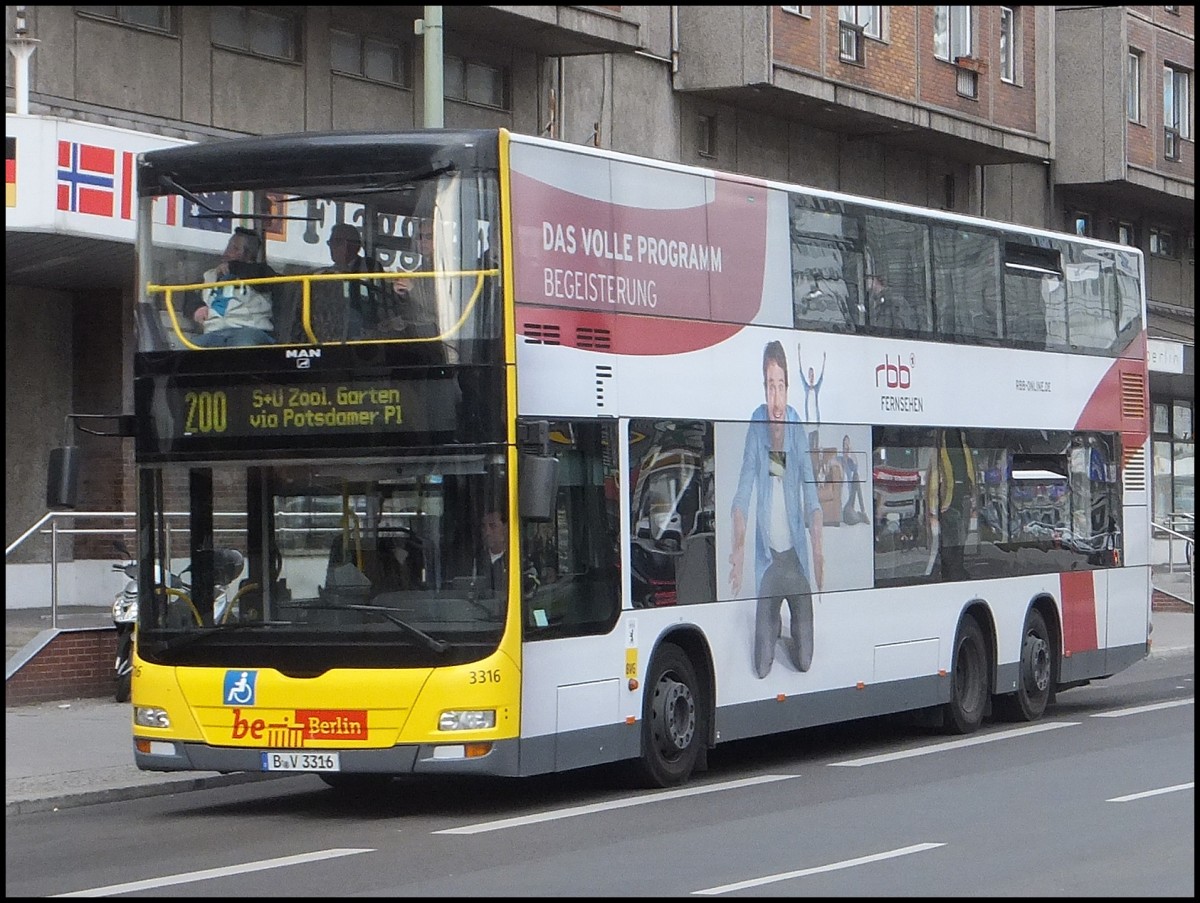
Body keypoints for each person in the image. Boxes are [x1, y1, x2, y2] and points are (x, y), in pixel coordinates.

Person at [729, 340, 825, 678]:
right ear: (764, 387)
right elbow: (743, 491)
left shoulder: (797, 427)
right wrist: (739, 546)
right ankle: (773, 626)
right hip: (769, 562)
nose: (776, 398)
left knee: (804, 662)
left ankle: (796, 627)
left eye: (781, 385)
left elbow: (811, 495)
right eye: (770, 386)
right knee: (761, 668)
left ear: (788, 387)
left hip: (795, 561)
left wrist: (817, 550)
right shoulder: (757, 425)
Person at [184, 227, 277, 347]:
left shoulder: (261, 273)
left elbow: (260, 277)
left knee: (241, 350)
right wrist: (196, 307)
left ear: (248, 254)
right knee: (188, 352)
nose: (227, 252)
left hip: (249, 329)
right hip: (214, 332)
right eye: (228, 246)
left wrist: (233, 267)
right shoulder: (210, 275)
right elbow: (189, 293)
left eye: (235, 248)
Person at [305, 222, 381, 341]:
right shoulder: (326, 272)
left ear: (355, 246)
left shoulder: (369, 265)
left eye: (337, 242)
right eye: (331, 243)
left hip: (362, 322)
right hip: (332, 325)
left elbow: (370, 294)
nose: (332, 247)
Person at [837, 434, 868, 525]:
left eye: (847, 445)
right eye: (844, 445)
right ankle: (861, 516)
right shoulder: (839, 459)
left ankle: (863, 511)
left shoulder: (850, 462)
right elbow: (830, 462)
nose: (846, 448)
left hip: (850, 498)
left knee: (856, 476)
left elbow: (856, 465)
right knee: (852, 519)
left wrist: (851, 451)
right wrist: (838, 465)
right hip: (844, 501)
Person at [479, 508, 508, 592]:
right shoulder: (474, 561)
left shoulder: (516, 561)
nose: (487, 532)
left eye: (493, 526)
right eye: (484, 527)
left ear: (505, 529)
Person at [797, 346, 826, 424]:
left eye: (812, 375)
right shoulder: (806, 388)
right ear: (808, 377)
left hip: (816, 420)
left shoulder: (816, 388)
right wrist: (798, 352)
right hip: (809, 420)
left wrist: (824, 360)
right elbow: (800, 373)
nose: (811, 377)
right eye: (810, 375)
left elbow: (821, 377)